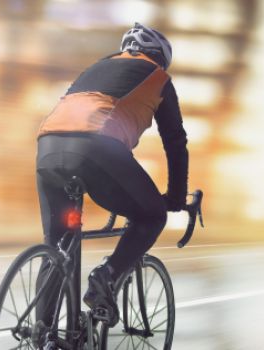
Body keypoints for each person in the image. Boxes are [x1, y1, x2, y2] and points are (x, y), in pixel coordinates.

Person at [35, 23, 188, 327]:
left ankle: (43, 333)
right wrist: (174, 197)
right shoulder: (158, 77)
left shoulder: (94, 69)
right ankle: (106, 276)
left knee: (58, 245)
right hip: (96, 148)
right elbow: (175, 141)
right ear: (160, 57)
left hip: (47, 147)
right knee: (152, 216)